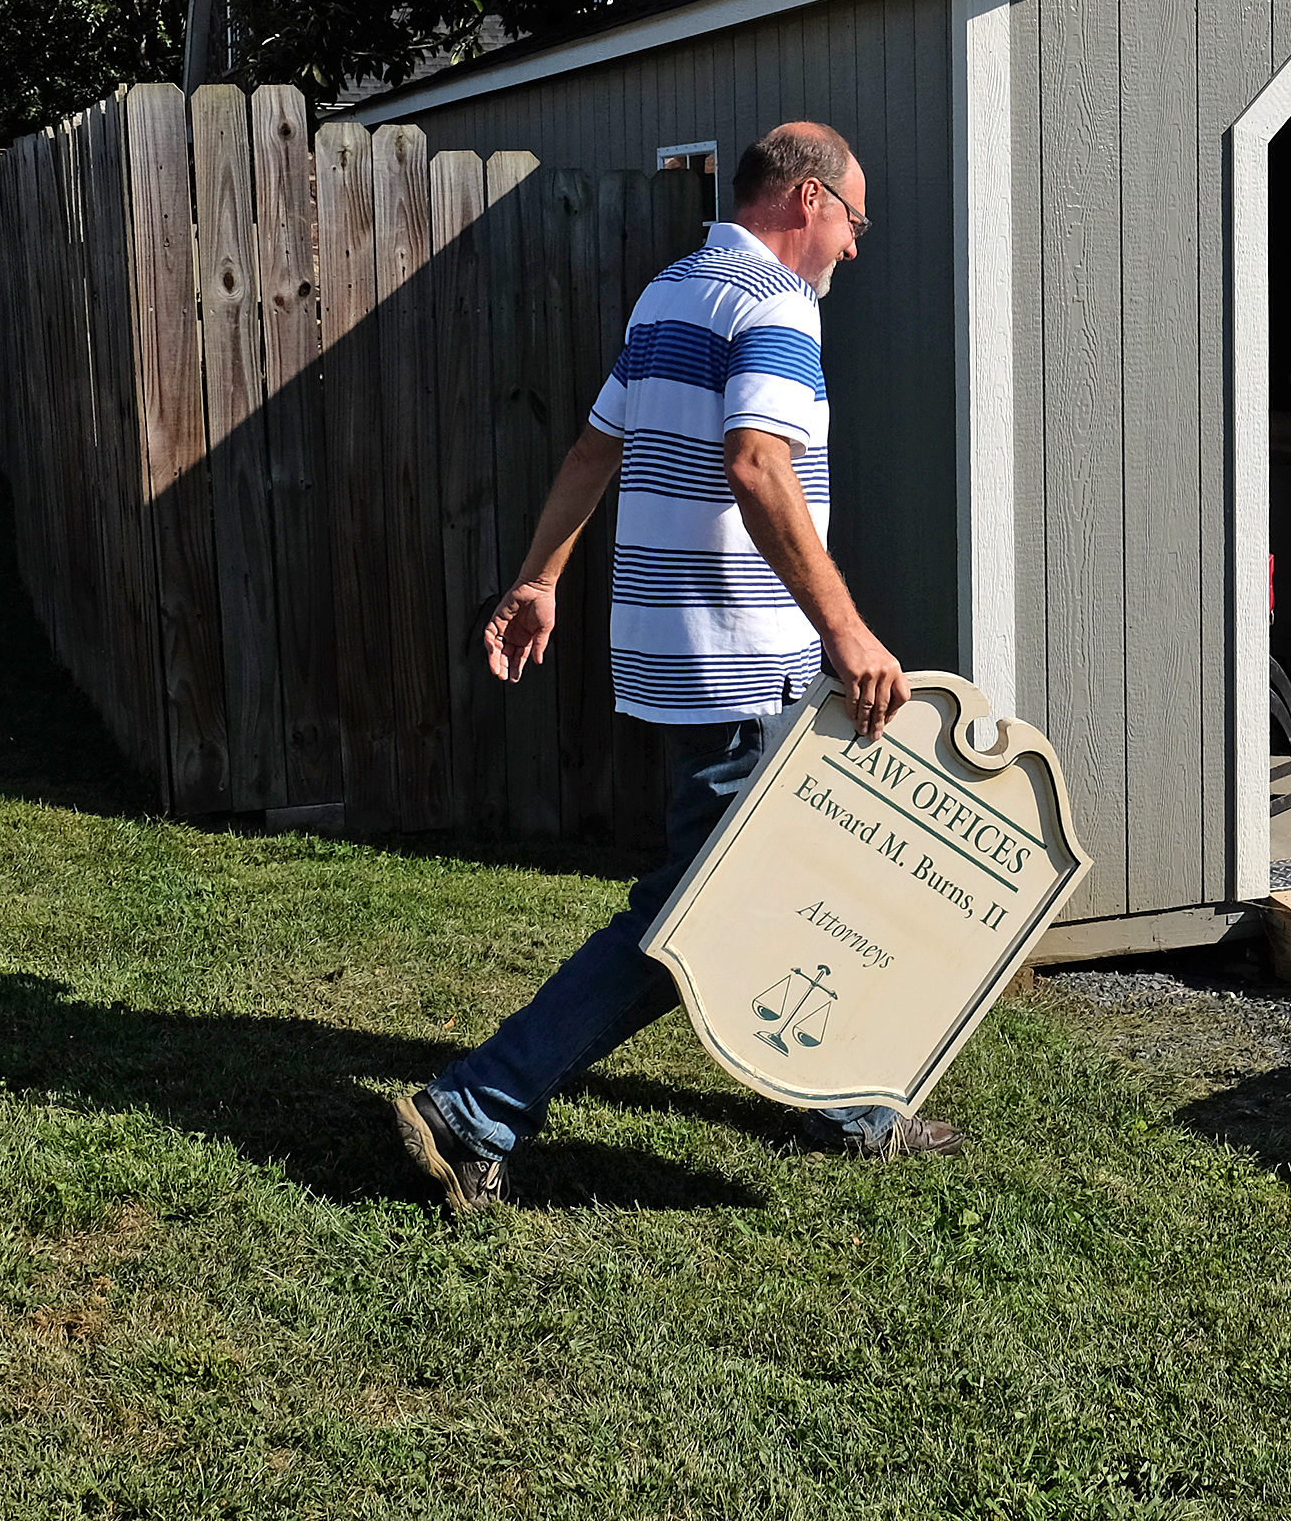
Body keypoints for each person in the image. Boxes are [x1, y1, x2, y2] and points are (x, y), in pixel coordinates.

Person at [395, 121, 955, 1212]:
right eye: (856, 217)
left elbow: (592, 448)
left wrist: (541, 578)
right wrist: (845, 627)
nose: (856, 245)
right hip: (749, 660)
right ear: (806, 199)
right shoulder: (775, 305)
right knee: (697, 914)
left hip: (678, 654)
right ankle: (478, 1103)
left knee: (795, 875)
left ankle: (848, 1102)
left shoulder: (674, 290)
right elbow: (757, 466)